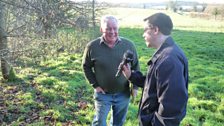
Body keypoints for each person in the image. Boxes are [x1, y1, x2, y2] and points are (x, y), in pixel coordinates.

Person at [122, 13, 189, 126]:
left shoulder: (168, 60)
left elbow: (171, 110)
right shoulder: (165, 53)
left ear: (156, 29)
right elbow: (154, 85)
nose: (143, 35)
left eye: (145, 30)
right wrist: (131, 76)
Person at [82, 15, 140, 126]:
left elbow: (136, 66)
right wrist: (95, 85)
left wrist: (135, 87)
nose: (112, 31)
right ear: (101, 29)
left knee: (118, 123)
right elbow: (86, 66)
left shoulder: (129, 45)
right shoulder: (92, 47)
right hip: (103, 93)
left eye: (115, 28)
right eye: (108, 28)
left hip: (123, 93)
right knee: (100, 122)